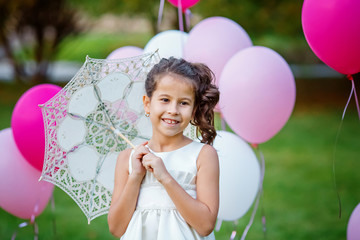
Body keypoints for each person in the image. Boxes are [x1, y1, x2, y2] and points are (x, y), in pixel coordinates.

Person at [108, 57, 220, 240]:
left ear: (193, 110)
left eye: (183, 102)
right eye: (165, 100)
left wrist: (165, 177)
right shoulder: (128, 159)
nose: (173, 110)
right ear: (147, 104)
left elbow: (205, 225)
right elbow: (117, 228)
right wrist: (136, 176)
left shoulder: (202, 156)